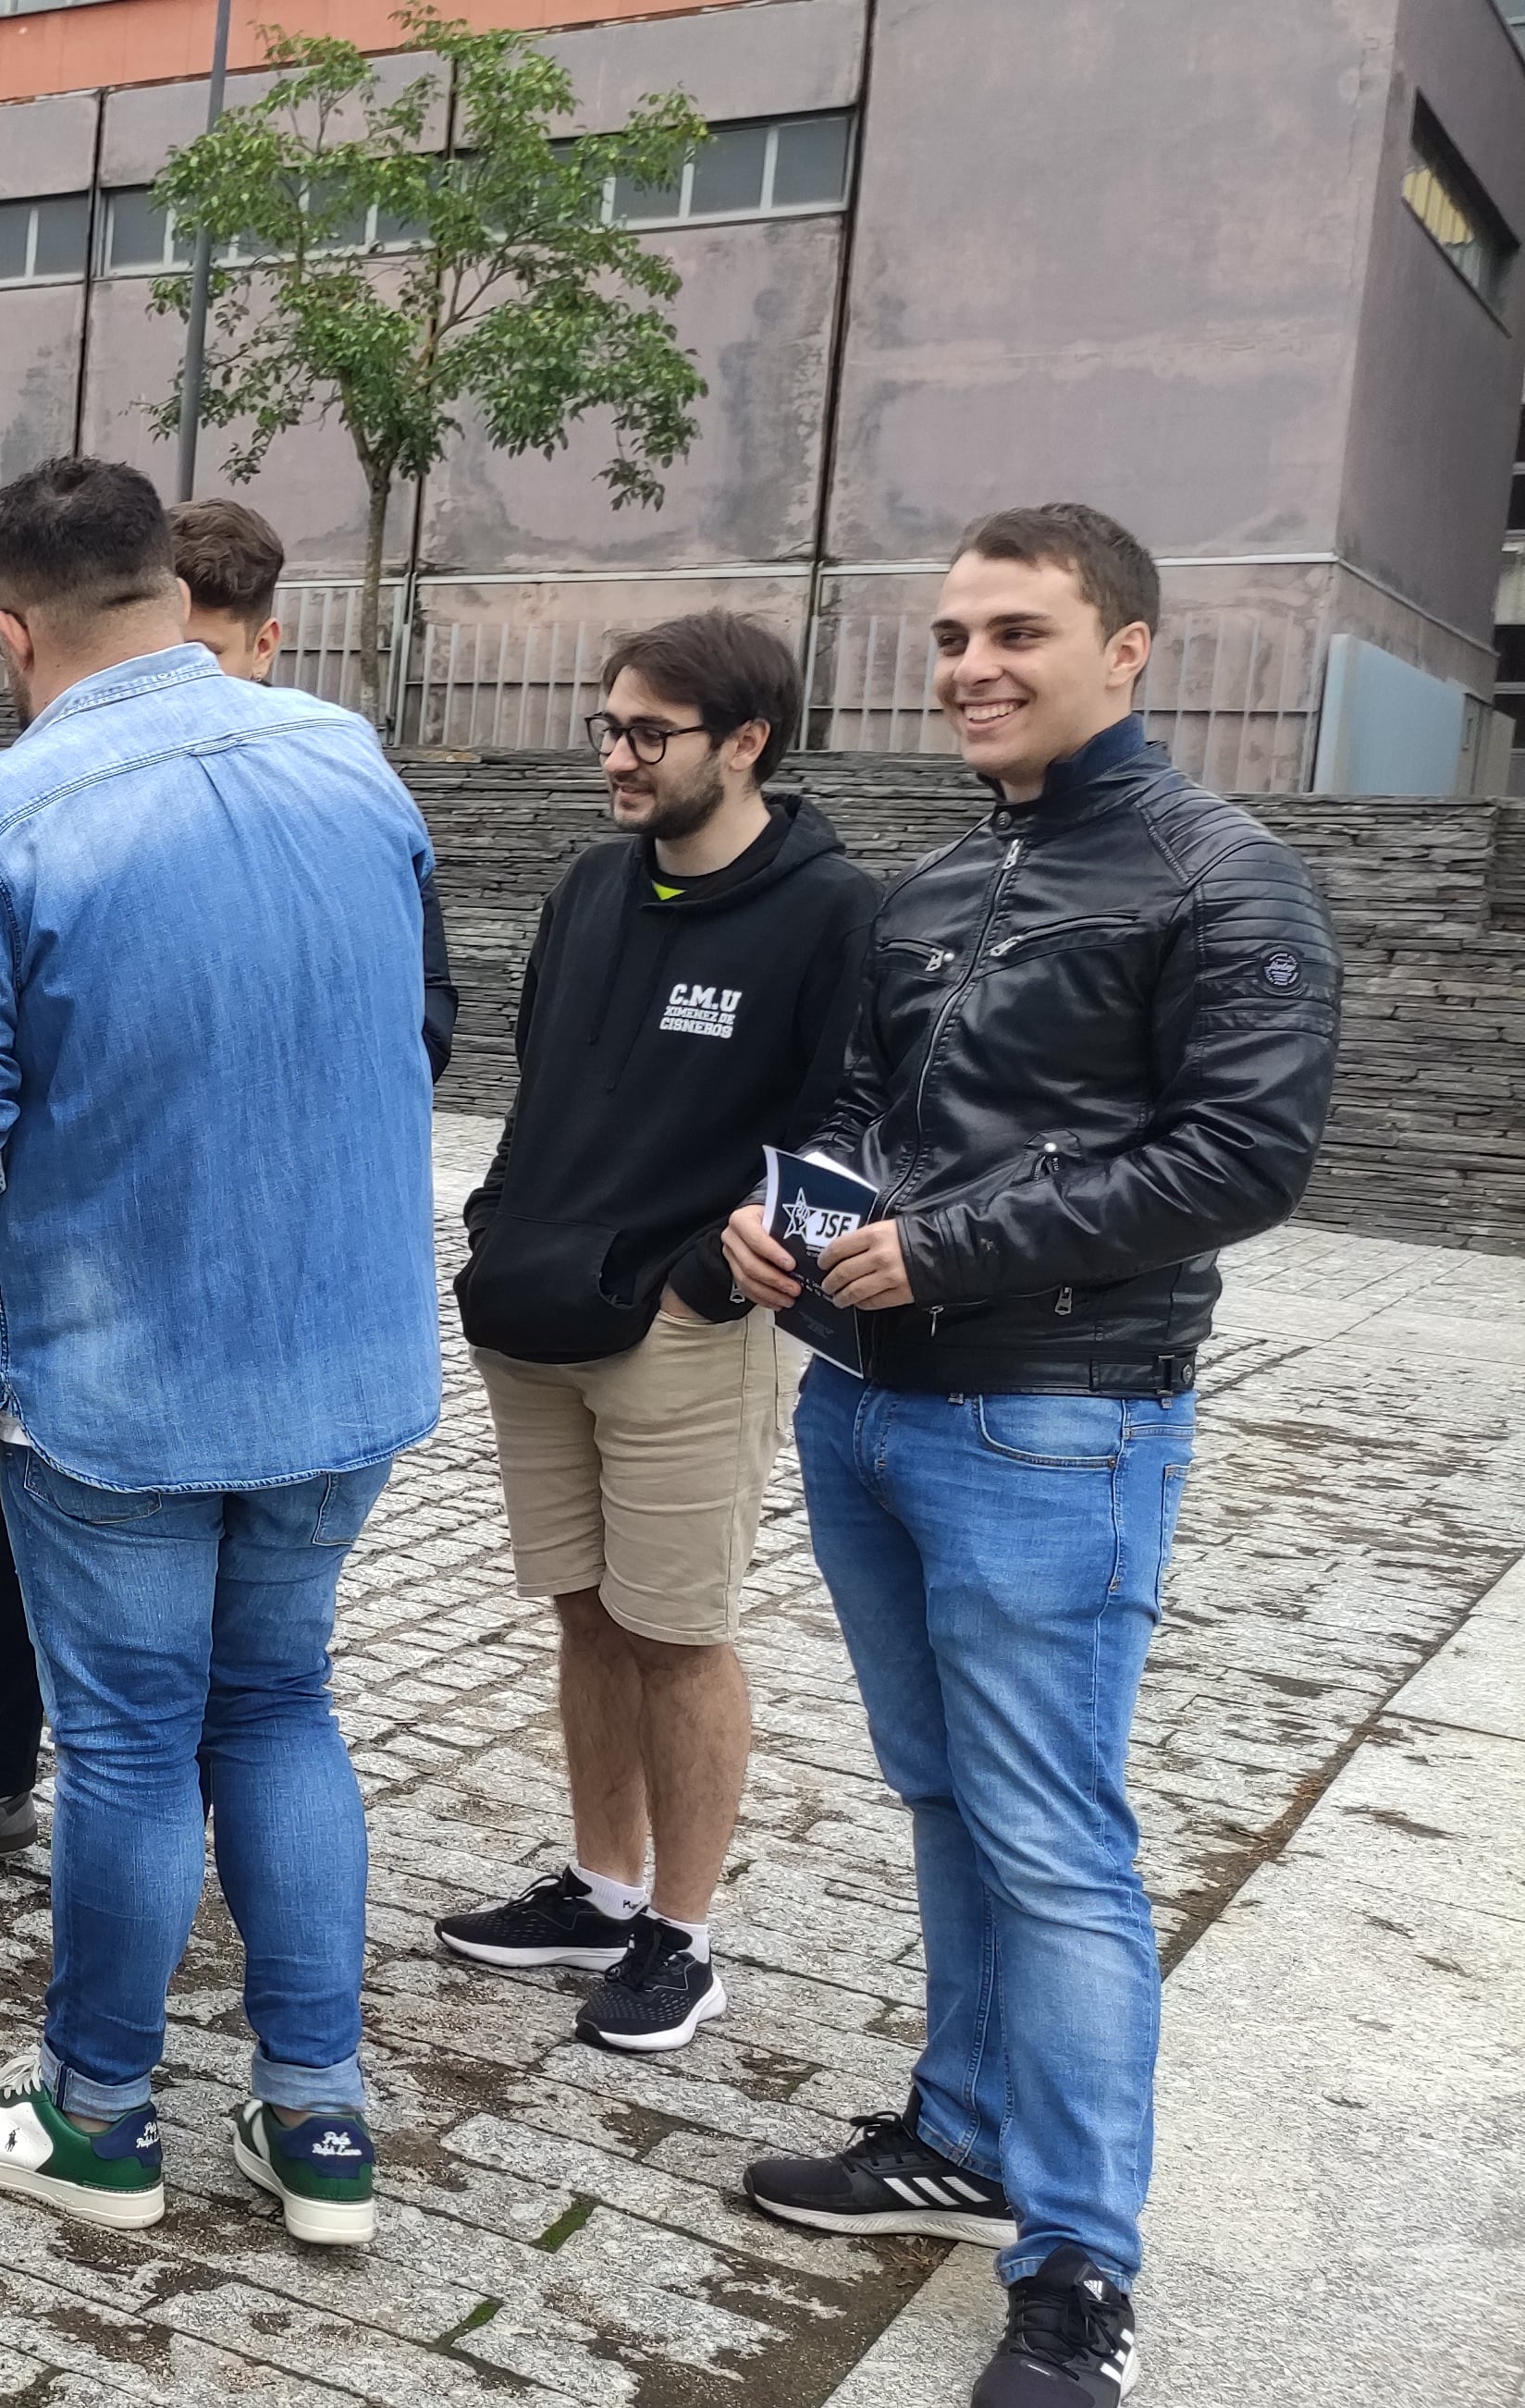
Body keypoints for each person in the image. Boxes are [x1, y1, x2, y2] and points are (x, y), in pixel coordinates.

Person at [722, 505, 1334, 2408]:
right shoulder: (928, 885)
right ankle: (959, 2130)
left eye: (1015, 632)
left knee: (1053, 1841)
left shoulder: (1220, 879)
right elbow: (861, 1109)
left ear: (1124, 648)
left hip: (1053, 1418)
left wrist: (954, 1248)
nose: (970, 666)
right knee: (940, 1799)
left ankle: (1076, 2267)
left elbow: (1246, 1156)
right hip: (867, 1405)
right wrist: (776, 1221)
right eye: (951, 636)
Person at [0, 459, 437, 2247]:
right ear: (175, 600)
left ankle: (102, 2118)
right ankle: (317, 2124)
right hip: (338, 1360)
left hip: (114, 1372)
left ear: (7, 632)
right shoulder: (349, 759)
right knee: (281, 1705)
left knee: (125, 1748)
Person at [433, 611, 874, 2056]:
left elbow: (848, 1124)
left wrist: (716, 1275)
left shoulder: (829, 912)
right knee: (584, 1609)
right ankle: (601, 1885)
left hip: (690, 1326)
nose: (616, 758)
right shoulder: (587, 892)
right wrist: (500, 1221)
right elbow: (543, 1076)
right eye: (607, 727)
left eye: (648, 735)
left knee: (678, 1631)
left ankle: (683, 1936)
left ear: (743, 744)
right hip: (537, 1307)